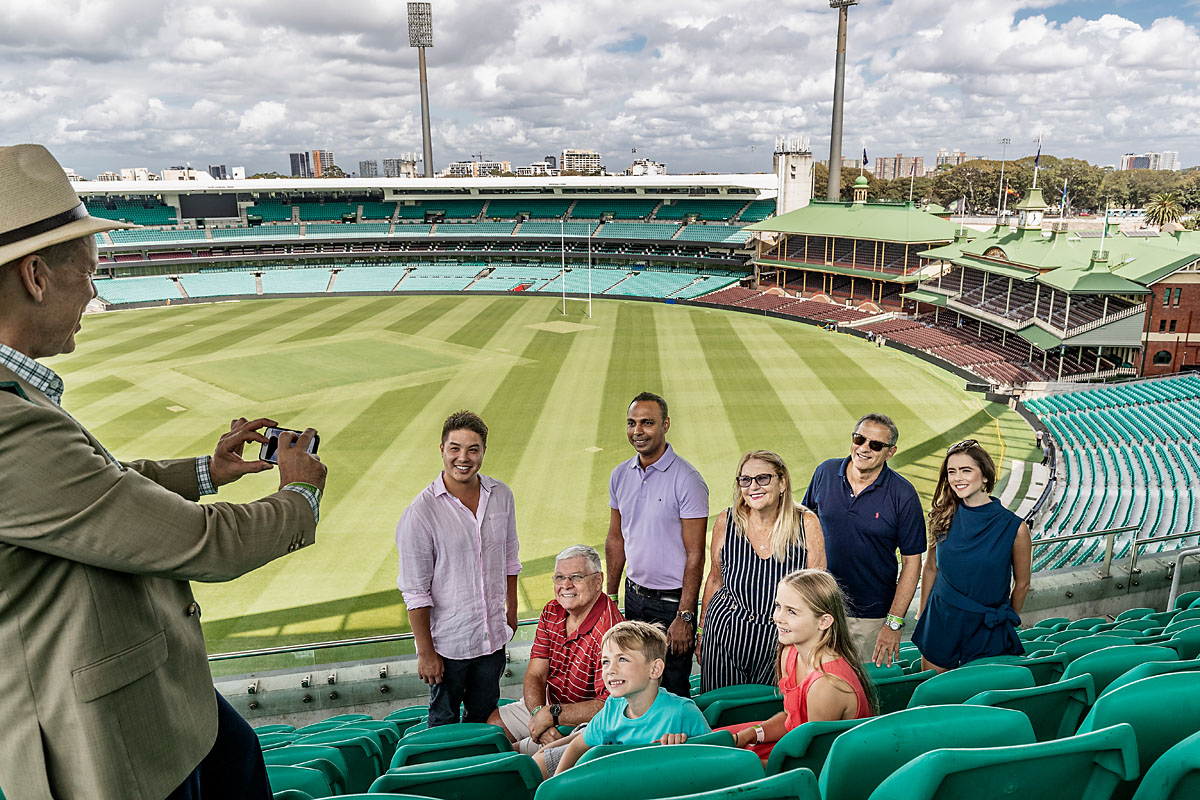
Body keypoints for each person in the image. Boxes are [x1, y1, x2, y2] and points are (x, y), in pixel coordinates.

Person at [0, 144, 328, 799]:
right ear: (36, 275)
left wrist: (207, 469)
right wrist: (300, 494)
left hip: (153, 706)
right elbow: (197, 541)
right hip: (107, 746)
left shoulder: (18, 398)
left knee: (240, 757)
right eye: (88, 272)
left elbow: (101, 484)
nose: (94, 290)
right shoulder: (8, 426)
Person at [396, 410, 521, 726]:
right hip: (448, 646)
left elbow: (510, 559)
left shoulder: (502, 495)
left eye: (473, 449)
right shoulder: (421, 512)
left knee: (486, 719)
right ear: (442, 449)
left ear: (483, 452)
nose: (463, 458)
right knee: (443, 722)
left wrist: (511, 611)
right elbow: (415, 591)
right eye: (455, 448)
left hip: (491, 638)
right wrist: (426, 654)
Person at [802, 413, 926, 665]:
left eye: (875, 445)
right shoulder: (825, 472)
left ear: (890, 452)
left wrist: (893, 624)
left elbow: (913, 564)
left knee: (859, 692)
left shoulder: (903, 494)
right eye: (859, 439)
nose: (864, 448)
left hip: (870, 617)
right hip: (818, 608)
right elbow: (803, 528)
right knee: (813, 684)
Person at [606, 392, 709, 697]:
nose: (637, 431)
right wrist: (611, 597)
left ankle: (674, 745)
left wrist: (685, 616)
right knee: (634, 686)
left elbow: (695, 555)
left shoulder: (687, 479)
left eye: (647, 423)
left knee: (673, 689)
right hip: (633, 597)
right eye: (632, 423)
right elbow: (616, 538)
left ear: (665, 425)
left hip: (671, 606)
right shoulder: (619, 475)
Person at [698, 450, 827, 692]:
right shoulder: (727, 520)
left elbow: (818, 595)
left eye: (762, 478)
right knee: (722, 707)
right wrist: (702, 632)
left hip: (781, 638)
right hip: (725, 632)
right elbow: (715, 580)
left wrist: (812, 645)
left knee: (771, 711)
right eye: (745, 480)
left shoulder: (806, 523)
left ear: (782, 482)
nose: (753, 487)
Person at [719, 570, 874, 760]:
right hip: (797, 747)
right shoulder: (789, 652)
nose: (778, 617)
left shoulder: (825, 685)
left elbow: (815, 760)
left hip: (824, 765)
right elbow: (790, 719)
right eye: (778, 606)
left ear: (824, 621)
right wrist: (750, 734)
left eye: (791, 611)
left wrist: (750, 764)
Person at [488, 545, 623, 754]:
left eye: (576, 577)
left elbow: (609, 706)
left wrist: (552, 715)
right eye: (560, 577)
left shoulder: (612, 632)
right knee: (493, 730)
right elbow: (535, 674)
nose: (566, 585)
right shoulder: (552, 610)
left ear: (598, 581)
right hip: (550, 707)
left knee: (512, 755)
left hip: (589, 721)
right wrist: (538, 714)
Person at [912, 440, 1032, 671]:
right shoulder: (942, 515)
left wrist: (1006, 618)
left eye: (966, 470)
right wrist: (922, 612)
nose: (957, 478)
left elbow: (1023, 584)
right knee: (935, 694)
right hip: (940, 619)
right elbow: (931, 567)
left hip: (987, 626)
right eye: (951, 472)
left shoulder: (1015, 527)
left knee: (974, 695)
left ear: (985, 476)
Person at [538, 621, 711, 777]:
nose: (610, 670)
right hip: (612, 776)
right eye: (605, 662)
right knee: (535, 763)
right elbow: (577, 746)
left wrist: (685, 749)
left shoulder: (683, 713)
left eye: (622, 659)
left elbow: (714, 758)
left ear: (655, 669)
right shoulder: (611, 709)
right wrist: (557, 783)